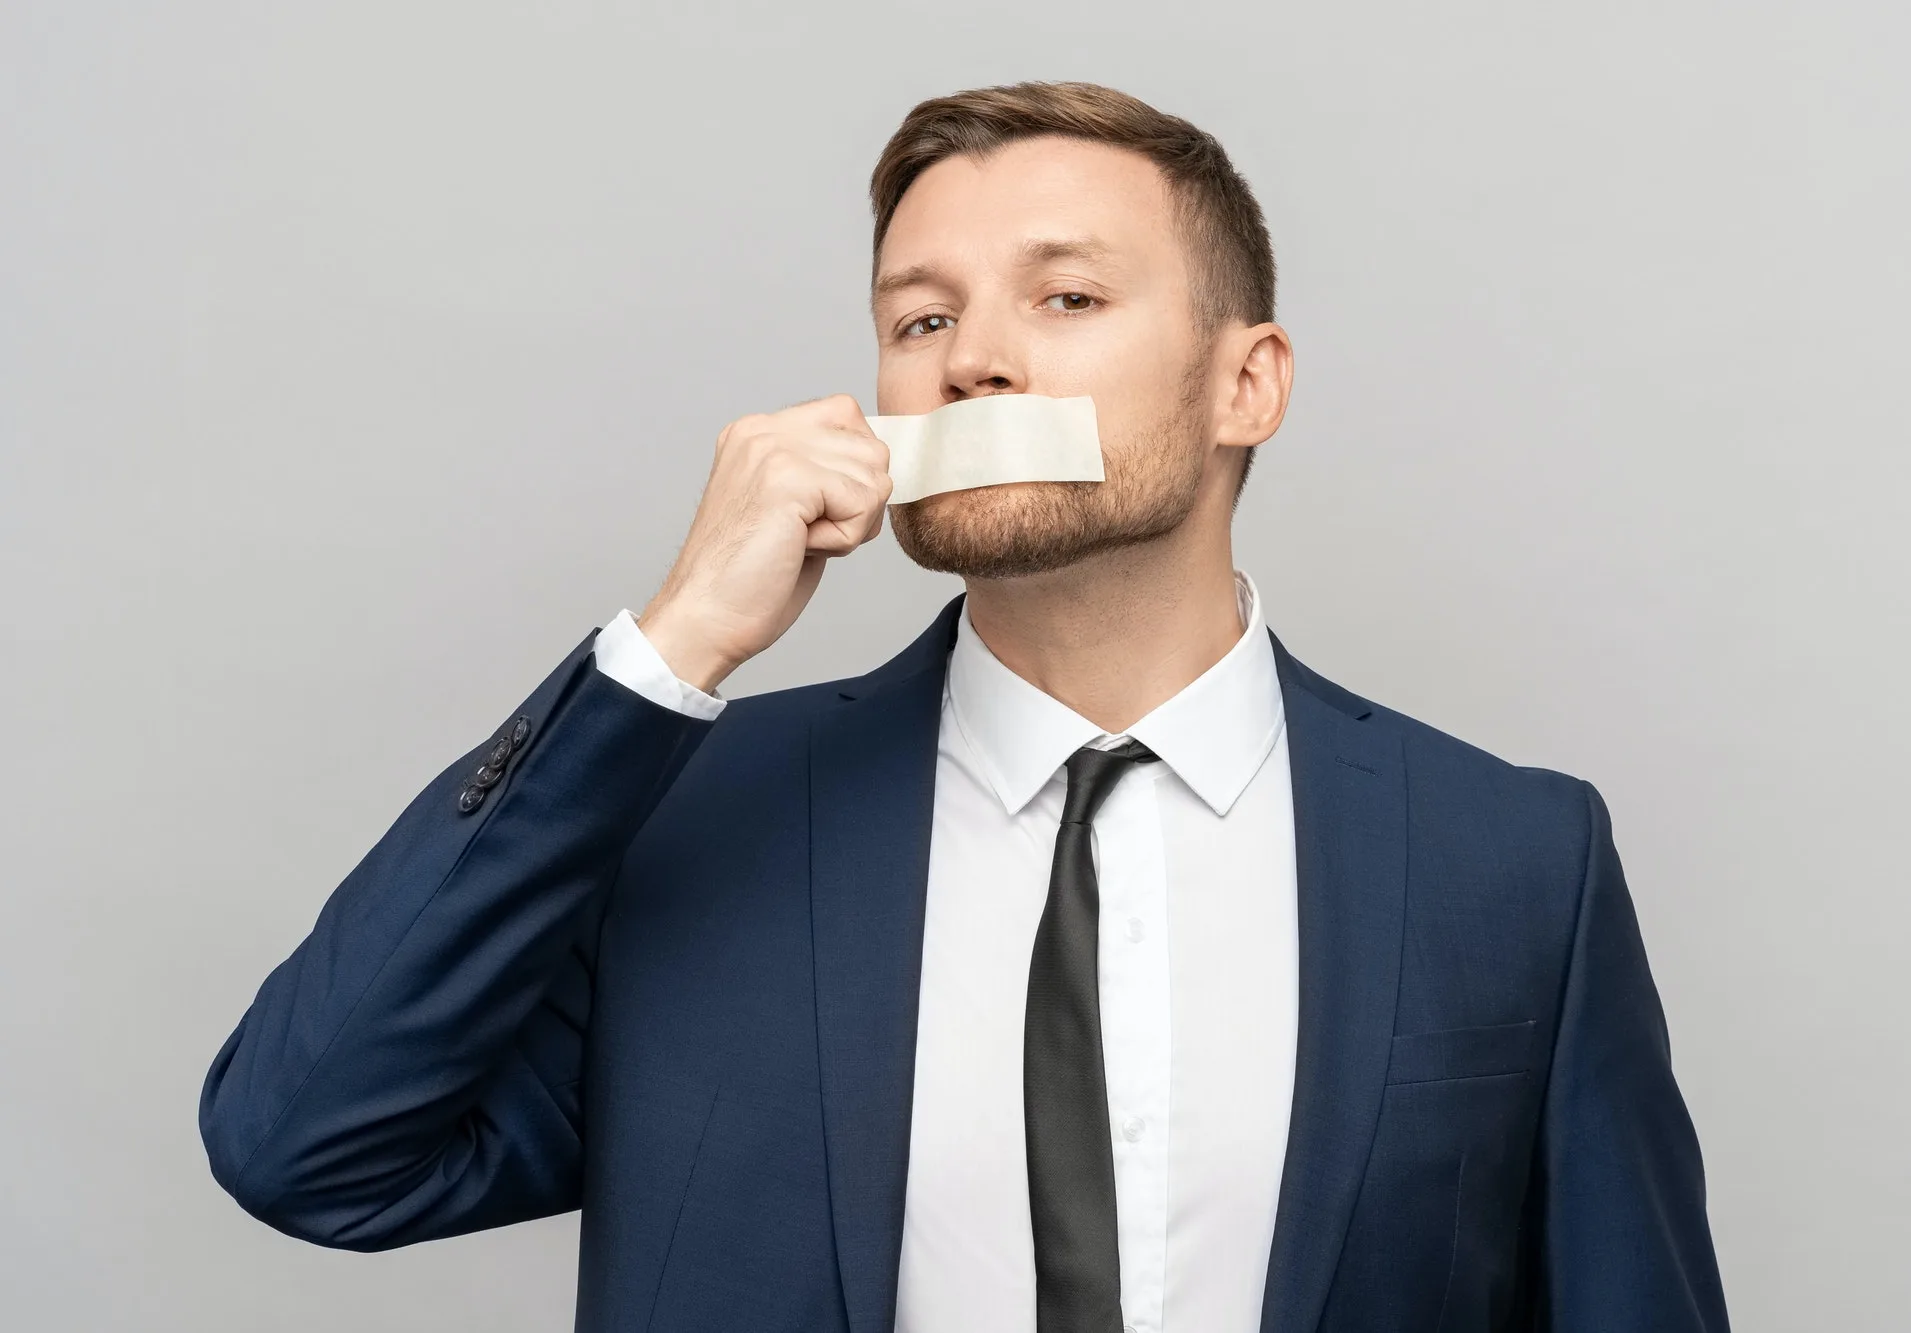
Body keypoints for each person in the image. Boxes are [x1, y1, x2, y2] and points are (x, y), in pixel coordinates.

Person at [199, 81, 1729, 1333]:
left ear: (1244, 386)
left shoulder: (1511, 861)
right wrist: (669, 651)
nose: (974, 361)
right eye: (919, 322)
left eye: (1065, 297)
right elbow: (307, 1150)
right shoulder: (701, 820)